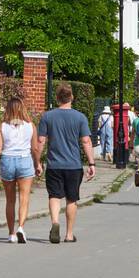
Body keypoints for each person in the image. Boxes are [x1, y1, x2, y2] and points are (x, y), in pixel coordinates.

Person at [35, 83, 96, 244]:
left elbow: (41, 141)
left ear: (57, 98)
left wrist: (37, 162)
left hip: (54, 165)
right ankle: (69, 234)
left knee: (54, 196)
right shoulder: (80, 117)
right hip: (73, 166)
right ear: (72, 98)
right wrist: (91, 164)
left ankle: (55, 222)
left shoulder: (47, 117)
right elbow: (86, 141)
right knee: (71, 199)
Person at [0, 97, 37, 243]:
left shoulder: (2, 126)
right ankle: (21, 227)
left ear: (8, 109)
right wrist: (38, 163)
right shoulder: (30, 126)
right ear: (22, 109)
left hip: (7, 160)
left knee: (10, 200)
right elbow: (34, 148)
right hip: (24, 160)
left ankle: (11, 233)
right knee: (24, 198)